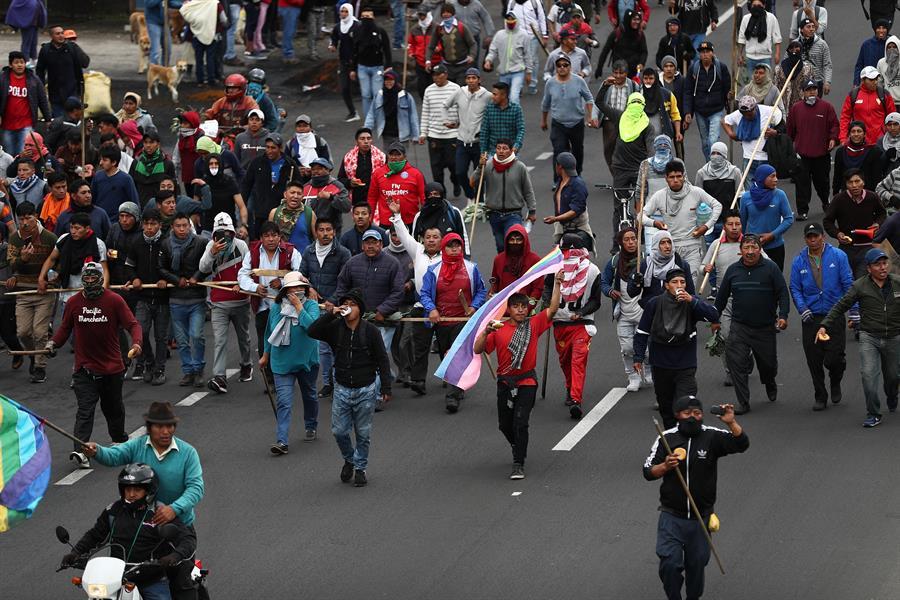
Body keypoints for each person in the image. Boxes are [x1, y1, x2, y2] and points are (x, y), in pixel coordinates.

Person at [83, 401, 205, 600]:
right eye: (159, 426)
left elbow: (196, 488)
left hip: (176, 527)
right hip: (140, 523)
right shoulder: (138, 445)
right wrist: (97, 451)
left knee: (182, 586)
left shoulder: (188, 453)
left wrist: (173, 509)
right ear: (149, 428)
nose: (166, 431)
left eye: (170, 426)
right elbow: (114, 456)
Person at [642, 394, 748, 600]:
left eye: (697, 413)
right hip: (671, 516)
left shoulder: (712, 436)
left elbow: (741, 444)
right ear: (677, 415)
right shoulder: (666, 437)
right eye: (687, 413)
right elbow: (647, 471)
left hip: (701, 517)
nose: (693, 417)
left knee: (697, 564)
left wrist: (731, 422)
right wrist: (665, 466)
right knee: (670, 564)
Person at [46, 261, 141, 468]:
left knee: (113, 409)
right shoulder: (73, 303)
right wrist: (53, 343)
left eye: (93, 278)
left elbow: (133, 325)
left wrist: (136, 343)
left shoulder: (114, 300)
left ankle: (119, 441)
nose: (89, 282)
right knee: (85, 410)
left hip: (111, 368)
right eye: (86, 278)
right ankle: (81, 451)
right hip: (84, 369)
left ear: (100, 279)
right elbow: (64, 329)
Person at [60, 463, 196, 600]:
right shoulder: (113, 511)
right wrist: (76, 552)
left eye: (137, 490)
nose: (131, 494)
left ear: (148, 491)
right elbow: (95, 535)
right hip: (115, 578)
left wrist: (174, 556)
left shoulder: (161, 513)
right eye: (127, 489)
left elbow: (188, 539)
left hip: (151, 580)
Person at [474, 275, 562, 480]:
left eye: (524, 306)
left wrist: (557, 284)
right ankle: (517, 443)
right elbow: (479, 350)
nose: (521, 310)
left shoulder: (534, 323)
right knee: (505, 425)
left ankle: (518, 462)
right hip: (505, 381)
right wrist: (485, 332)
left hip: (527, 381)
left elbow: (553, 308)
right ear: (509, 309)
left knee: (521, 421)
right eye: (516, 307)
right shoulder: (498, 328)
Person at [309, 288, 391, 486]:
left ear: (360, 310)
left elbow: (382, 358)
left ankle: (360, 468)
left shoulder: (370, 331)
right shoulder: (336, 328)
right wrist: (331, 314)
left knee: (363, 433)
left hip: (366, 389)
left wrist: (386, 387)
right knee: (339, 431)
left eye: (352, 304)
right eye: (345, 303)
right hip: (342, 388)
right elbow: (312, 331)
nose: (348, 307)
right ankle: (349, 459)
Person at [818, 248, 900, 427]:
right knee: (868, 376)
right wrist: (825, 325)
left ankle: (892, 395)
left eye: (885, 263)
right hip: (869, 336)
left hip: (894, 336)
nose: (883, 267)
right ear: (869, 268)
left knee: (893, 377)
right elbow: (841, 306)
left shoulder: (897, 283)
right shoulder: (859, 286)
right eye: (877, 264)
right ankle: (874, 413)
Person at [713, 234, 789, 414]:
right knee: (736, 363)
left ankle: (769, 381)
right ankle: (743, 402)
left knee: (768, 365)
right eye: (746, 248)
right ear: (740, 251)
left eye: (753, 248)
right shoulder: (733, 271)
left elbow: (783, 293)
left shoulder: (771, 269)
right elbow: (721, 298)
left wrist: (783, 316)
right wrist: (714, 319)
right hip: (740, 327)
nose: (750, 252)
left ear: (760, 249)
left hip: (764, 327)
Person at [633, 268, 719, 427]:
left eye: (682, 282)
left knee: (686, 404)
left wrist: (693, 301)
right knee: (666, 409)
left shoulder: (691, 303)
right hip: (661, 363)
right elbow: (642, 332)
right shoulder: (654, 303)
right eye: (674, 282)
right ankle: (673, 441)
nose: (679, 285)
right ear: (666, 285)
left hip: (685, 364)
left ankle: (687, 440)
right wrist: (638, 357)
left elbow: (714, 315)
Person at [419, 232, 487, 413]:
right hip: (442, 321)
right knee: (445, 355)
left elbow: (481, 291)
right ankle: (455, 381)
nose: (454, 248)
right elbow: (424, 293)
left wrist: (473, 306)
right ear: (444, 248)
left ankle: (452, 397)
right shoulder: (433, 270)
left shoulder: (472, 268)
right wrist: (431, 309)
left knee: (455, 355)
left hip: (463, 321)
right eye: (450, 245)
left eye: (458, 245)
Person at [789, 222, 853, 411]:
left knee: (835, 358)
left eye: (816, 236)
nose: (813, 240)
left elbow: (848, 284)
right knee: (814, 359)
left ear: (823, 237)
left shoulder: (838, 256)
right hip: (811, 317)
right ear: (805, 239)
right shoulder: (798, 260)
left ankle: (835, 381)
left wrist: (854, 311)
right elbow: (795, 288)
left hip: (834, 315)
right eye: (809, 237)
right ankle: (820, 394)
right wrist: (802, 309)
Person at [331, 228, 406, 388]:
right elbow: (342, 286)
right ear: (362, 245)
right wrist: (343, 304)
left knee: (379, 353)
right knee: (366, 354)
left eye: (374, 242)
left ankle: (377, 394)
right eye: (367, 243)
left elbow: (398, 291)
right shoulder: (352, 263)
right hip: (358, 320)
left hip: (384, 321)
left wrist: (383, 310)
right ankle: (386, 376)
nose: (371, 246)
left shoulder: (392, 263)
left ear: (381, 244)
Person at [260, 271, 321, 453]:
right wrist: (265, 355)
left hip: (306, 361)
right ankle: (282, 441)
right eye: (293, 287)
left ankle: (311, 425)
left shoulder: (311, 306)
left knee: (309, 395)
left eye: (300, 287)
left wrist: (298, 308)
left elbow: (312, 327)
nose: (297, 290)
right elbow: (268, 334)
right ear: (285, 290)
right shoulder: (276, 308)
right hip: (281, 362)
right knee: (284, 402)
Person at [544, 232, 603, 419]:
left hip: (581, 324)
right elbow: (546, 291)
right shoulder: (553, 269)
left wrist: (582, 312)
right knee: (565, 360)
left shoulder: (593, 271)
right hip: (560, 322)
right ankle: (570, 387)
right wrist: (547, 307)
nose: (568, 257)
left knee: (578, 360)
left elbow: (596, 300)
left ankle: (576, 399)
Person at [238, 221, 303, 386]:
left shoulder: (290, 252)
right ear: (261, 238)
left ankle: (284, 375)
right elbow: (242, 275)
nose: (271, 239)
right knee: (264, 342)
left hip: (285, 305)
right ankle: (270, 380)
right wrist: (254, 287)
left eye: (274, 235)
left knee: (285, 340)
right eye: (267, 236)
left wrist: (282, 282)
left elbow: (300, 274)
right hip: (262, 306)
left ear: (279, 236)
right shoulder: (252, 253)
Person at [642, 160, 721, 284]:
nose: (676, 180)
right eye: (672, 177)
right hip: (670, 248)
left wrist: (706, 227)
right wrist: (654, 223)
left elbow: (717, 206)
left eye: (679, 176)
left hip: (692, 245)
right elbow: (640, 216)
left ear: (684, 177)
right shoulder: (659, 196)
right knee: (672, 285)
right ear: (666, 178)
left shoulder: (696, 192)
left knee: (690, 284)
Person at [198, 213, 252, 394]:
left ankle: (246, 364)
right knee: (220, 341)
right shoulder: (210, 246)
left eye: (227, 233)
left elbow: (250, 270)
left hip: (240, 301)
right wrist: (212, 253)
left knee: (243, 337)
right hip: (218, 303)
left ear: (233, 233)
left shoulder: (242, 246)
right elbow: (203, 268)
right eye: (219, 234)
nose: (224, 237)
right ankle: (219, 376)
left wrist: (241, 283)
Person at [299, 216, 351, 399]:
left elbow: (345, 281)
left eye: (329, 230)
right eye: (321, 230)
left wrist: (334, 300)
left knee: (338, 346)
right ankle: (328, 383)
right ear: (316, 232)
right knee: (322, 348)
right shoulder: (308, 251)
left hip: (336, 308)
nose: (325, 233)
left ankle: (341, 380)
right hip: (316, 307)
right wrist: (309, 288)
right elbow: (302, 275)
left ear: (334, 232)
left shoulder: (343, 253)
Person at [6, 200, 56, 382]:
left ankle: (40, 367)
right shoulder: (15, 239)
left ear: (36, 217)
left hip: (44, 291)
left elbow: (58, 262)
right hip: (23, 292)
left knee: (39, 332)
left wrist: (52, 278)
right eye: (21, 219)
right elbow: (12, 263)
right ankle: (33, 355)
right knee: (23, 333)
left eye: (28, 218)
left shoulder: (50, 238)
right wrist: (23, 259)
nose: (25, 222)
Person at [159, 213, 207, 388]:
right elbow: (161, 268)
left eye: (184, 225)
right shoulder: (165, 244)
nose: (181, 229)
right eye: (178, 226)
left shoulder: (201, 243)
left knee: (196, 335)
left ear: (189, 226)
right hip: (176, 299)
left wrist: (196, 276)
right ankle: (188, 371)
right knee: (181, 340)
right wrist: (174, 279)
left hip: (197, 298)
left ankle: (199, 368)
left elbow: (207, 265)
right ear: (172, 227)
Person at [700, 210, 748, 384]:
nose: (735, 228)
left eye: (738, 224)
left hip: (747, 298)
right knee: (725, 336)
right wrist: (705, 269)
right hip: (723, 299)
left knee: (746, 337)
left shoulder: (749, 243)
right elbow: (703, 267)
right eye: (730, 224)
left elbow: (767, 263)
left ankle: (745, 359)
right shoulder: (716, 245)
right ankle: (730, 370)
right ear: (724, 226)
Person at [125, 208, 169, 387]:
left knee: (161, 337)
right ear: (142, 224)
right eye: (147, 224)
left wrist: (165, 280)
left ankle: (159, 369)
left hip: (162, 298)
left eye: (153, 224)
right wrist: (134, 278)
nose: (149, 228)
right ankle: (149, 362)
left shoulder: (166, 243)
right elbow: (129, 265)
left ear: (160, 225)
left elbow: (172, 267)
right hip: (142, 297)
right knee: (141, 333)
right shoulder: (136, 243)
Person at [600, 227, 647, 392]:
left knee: (646, 347)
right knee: (627, 348)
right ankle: (633, 377)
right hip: (623, 313)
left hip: (644, 313)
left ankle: (647, 369)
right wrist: (610, 292)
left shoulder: (645, 259)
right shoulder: (614, 262)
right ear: (620, 243)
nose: (631, 242)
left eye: (633, 238)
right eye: (626, 239)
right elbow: (603, 282)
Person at [472, 139, 536, 251]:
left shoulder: (520, 167)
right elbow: (473, 182)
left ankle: (516, 267)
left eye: (505, 148)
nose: (501, 151)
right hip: (494, 215)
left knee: (512, 244)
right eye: (498, 148)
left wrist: (532, 211)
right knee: (501, 246)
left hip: (514, 214)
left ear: (511, 151)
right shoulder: (488, 166)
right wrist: (479, 167)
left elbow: (528, 191)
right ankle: (504, 267)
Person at [788, 79, 839, 220]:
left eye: (814, 89)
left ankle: (825, 202)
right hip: (802, 154)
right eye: (808, 89)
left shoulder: (827, 107)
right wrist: (791, 150)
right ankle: (802, 211)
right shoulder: (796, 109)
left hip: (821, 154)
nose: (812, 92)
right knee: (802, 184)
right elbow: (790, 130)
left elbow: (835, 126)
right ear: (803, 92)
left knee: (822, 182)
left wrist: (833, 139)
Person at [541, 54, 595, 183]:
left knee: (577, 151)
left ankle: (577, 175)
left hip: (576, 122)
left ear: (570, 67)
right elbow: (545, 103)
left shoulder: (578, 81)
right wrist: (543, 121)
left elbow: (589, 98)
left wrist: (590, 116)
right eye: (559, 65)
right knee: (559, 151)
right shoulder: (551, 83)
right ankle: (558, 179)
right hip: (558, 123)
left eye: (565, 65)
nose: (562, 68)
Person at [824, 168, 886, 278]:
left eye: (857, 181)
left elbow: (882, 214)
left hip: (867, 246)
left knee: (861, 279)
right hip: (847, 247)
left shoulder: (872, 197)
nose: (854, 185)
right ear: (846, 184)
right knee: (846, 279)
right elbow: (827, 221)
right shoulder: (839, 199)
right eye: (850, 182)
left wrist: (877, 224)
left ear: (863, 182)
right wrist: (837, 234)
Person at [445, 68, 491, 203]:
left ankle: (480, 202)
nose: (471, 81)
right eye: (468, 78)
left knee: (480, 175)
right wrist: (451, 121)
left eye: (474, 78)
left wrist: (486, 130)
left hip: (479, 143)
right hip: (462, 142)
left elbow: (492, 112)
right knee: (459, 172)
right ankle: (470, 195)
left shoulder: (487, 96)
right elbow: (446, 105)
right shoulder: (460, 92)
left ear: (479, 80)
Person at [240, 133, 299, 238]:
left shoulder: (290, 165)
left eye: (273, 148)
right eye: (267, 147)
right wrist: (242, 205)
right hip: (260, 213)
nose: (269, 151)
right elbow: (246, 185)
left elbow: (298, 186)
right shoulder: (257, 163)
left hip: (282, 214)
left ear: (280, 148)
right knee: (257, 243)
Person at [739, 164, 794, 271]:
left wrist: (772, 235)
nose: (776, 180)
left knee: (775, 281)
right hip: (752, 248)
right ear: (762, 178)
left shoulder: (780, 195)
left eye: (776, 176)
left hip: (775, 247)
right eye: (772, 176)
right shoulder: (745, 198)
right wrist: (744, 244)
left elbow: (789, 219)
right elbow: (742, 223)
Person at [683, 41, 731, 162]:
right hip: (700, 111)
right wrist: (688, 112)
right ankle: (709, 163)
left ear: (712, 53)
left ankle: (716, 164)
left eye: (707, 52)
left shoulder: (721, 67)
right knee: (705, 142)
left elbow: (727, 88)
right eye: (702, 52)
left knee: (713, 140)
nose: (705, 55)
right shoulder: (693, 69)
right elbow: (688, 91)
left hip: (716, 110)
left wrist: (729, 102)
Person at [419, 64, 462, 196]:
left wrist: (459, 126)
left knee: (453, 165)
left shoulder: (456, 89)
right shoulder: (429, 90)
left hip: (452, 135)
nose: (436, 77)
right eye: (434, 75)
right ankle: (441, 191)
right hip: (434, 135)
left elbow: (462, 110)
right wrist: (423, 133)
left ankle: (456, 182)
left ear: (446, 74)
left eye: (439, 74)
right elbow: (425, 112)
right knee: (436, 169)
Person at [722, 95, 783, 184]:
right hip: (748, 157)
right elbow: (724, 121)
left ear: (755, 108)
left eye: (750, 114)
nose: (747, 117)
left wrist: (775, 131)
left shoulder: (768, 111)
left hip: (766, 158)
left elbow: (782, 125)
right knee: (749, 188)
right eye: (745, 115)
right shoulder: (739, 114)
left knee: (767, 186)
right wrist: (731, 134)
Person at [0, 50, 51, 155]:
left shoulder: (34, 80)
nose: (19, 65)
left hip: (26, 124)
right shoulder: (3, 79)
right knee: (8, 155)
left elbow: (42, 100)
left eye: (22, 62)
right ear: (10, 64)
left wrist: (48, 119)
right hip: (7, 125)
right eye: (16, 62)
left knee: (23, 154)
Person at [629, 230, 696, 307]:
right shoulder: (645, 264)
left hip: (675, 312)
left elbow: (691, 294)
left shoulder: (681, 265)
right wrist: (636, 283)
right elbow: (631, 293)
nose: (667, 246)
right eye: (662, 243)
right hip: (652, 312)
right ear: (655, 245)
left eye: (669, 242)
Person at [367, 142, 425, 227]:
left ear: (404, 156)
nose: (394, 157)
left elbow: (424, 198)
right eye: (391, 154)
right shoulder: (378, 173)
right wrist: (369, 221)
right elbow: (372, 198)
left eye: (398, 154)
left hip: (410, 222)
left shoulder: (416, 174)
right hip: (387, 222)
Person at [694, 142, 742, 245]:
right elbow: (697, 197)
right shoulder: (701, 173)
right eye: (713, 153)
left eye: (718, 153)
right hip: (709, 221)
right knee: (710, 252)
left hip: (727, 221)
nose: (715, 156)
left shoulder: (735, 172)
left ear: (724, 155)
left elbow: (740, 195)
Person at [596, 60, 640, 170]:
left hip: (627, 122)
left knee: (627, 149)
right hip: (609, 122)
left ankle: (626, 174)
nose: (618, 76)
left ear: (627, 73)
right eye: (615, 73)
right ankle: (616, 174)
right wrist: (594, 117)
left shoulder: (634, 86)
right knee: (609, 149)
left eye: (621, 73)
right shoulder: (606, 84)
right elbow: (598, 101)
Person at [352, 7, 393, 121]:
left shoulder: (380, 31)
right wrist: (352, 68)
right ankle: (368, 119)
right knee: (366, 95)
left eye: (368, 17)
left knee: (377, 94)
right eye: (364, 17)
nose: (366, 19)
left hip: (377, 68)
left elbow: (386, 49)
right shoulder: (357, 31)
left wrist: (388, 65)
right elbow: (354, 50)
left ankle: (379, 116)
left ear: (373, 17)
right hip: (362, 67)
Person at [545, 152, 593, 250]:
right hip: (563, 230)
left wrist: (555, 219)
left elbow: (575, 211)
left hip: (578, 231)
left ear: (560, 166)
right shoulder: (560, 182)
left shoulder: (578, 184)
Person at [484, 12, 534, 105]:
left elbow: (528, 55)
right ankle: (504, 117)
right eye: (508, 21)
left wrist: (529, 72)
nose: (510, 23)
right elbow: (493, 50)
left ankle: (516, 117)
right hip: (503, 73)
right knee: (502, 99)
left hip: (517, 72)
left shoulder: (523, 35)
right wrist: (488, 60)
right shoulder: (499, 35)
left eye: (512, 21)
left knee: (514, 97)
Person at [841, 67, 896, 147]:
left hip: (881, 141)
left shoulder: (884, 94)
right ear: (863, 80)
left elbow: (893, 118)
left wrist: (893, 138)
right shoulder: (853, 95)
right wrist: (843, 138)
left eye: (876, 79)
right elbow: (845, 118)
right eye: (871, 79)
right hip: (859, 141)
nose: (875, 82)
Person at [35, 25, 84, 117]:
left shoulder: (71, 48)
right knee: (58, 120)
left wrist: (81, 88)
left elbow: (79, 68)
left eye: (62, 33)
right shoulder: (46, 50)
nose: (61, 36)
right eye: (57, 34)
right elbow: (40, 70)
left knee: (74, 121)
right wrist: (40, 88)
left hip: (72, 91)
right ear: (51, 36)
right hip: (55, 93)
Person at [365, 71, 421, 150]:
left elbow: (413, 116)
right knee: (389, 160)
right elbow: (371, 114)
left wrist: (416, 135)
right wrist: (366, 129)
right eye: (386, 80)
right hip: (387, 135)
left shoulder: (405, 96)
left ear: (396, 81)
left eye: (391, 80)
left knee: (400, 161)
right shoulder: (379, 96)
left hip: (402, 136)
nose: (388, 82)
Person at [410, 182, 469, 253]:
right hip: (428, 258)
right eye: (430, 195)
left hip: (450, 257)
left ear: (441, 195)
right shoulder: (419, 216)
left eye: (436, 194)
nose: (433, 197)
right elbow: (414, 240)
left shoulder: (454, 212)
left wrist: (466, 256)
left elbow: (463, 236)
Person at [427, 4, 477, 85]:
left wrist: (472, 55)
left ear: (453, 13)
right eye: (444, 12)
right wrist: (428, 61)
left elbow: (472, 44)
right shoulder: (439, 29)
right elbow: (431, 46)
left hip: (462, 66)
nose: (446, 14)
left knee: (460, 90)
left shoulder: (461, 27)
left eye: (448, 12)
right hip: (447, 67)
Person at [506, 0, 547, 96]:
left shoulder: (535, 2)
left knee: (532, 60)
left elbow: (541, 17)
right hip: (517, 37)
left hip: (532, 36)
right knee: (517, 61)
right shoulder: (512, 2)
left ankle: (532, 85)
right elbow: (508, 18)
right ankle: (518, 87)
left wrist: (544, 35)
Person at [338, 128, 386, 208]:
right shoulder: (348, 158)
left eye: (369, 138)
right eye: (362, 139)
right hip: (357, 201)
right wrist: (350, 183)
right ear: (357, 142)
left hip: (377, 200)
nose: (366, 141)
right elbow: (340, 179)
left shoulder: (382, 157)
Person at [833, 122, 884, 196]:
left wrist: (875, 197)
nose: (856, 134)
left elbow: (877, 177)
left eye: (859, 131)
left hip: (868, 195)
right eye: (853, 131)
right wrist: (835, 193)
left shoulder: (874, 151)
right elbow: (837, 175)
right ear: (849, 134)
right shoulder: (840, 152)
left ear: (864, 134)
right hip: (847, 194)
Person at [130, 129, 176, 209]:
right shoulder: (136, 163)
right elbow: (132, 186)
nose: (148, 145)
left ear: (158, 144)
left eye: (151, 142)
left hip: (161, 207)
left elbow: (174, 187)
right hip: (141, 207)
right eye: (145, 142)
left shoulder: (167, 164)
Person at [736, 0, 781, 79]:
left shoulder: (771, 18)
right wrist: (739, 55)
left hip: (765, 57)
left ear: (764, 5)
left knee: (765, 84)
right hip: (750, 58)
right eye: (754, 5)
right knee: (751, 84)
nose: (756, 7)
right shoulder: (746, 19)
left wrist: (777, 54)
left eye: (759, 5)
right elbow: (742, 38)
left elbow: (777, 37)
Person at [479, 82, 526, 156]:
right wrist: (483, 152)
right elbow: (484, 132)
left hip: (510, 153)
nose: (492, 97)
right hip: (492, 153)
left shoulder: (516, 109)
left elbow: (521, 130)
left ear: (504, 95)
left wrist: (516, 146)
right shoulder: (489, 109)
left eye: (495, 94)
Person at [597, 9, 647, 77]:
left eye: (638, 19)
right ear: (628, 20)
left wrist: (641, 63)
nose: (636, 22)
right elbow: (606, 50)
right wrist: (599, 67)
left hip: (633, 70)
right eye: (634, 20)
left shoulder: (640, 34)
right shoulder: (617, 33)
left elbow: (644, 51)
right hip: (619, 71)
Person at [639, 67, 682, 143]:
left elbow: (675, 114)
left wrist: (678, 132)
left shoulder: (667, 95)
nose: (648, 81)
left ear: (656, 79)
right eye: (645, 78)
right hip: (643, 139)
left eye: (651, 78)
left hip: (663, 138)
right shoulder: (638, 95)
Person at [775, 40, 815, 111]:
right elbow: (775, 88)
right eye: (791, 48)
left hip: (802, 107)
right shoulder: (778, 69)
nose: (794, 50)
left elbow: (811, 88)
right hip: (784, 107)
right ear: (788, 50)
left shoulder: (808, 68)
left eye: (797, 47)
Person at [4, 0, 45, 67]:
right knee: (27, 42)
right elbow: (14, 7)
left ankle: (34, 58)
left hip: (35, 23)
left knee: (34, 42)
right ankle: (26, 60)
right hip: (27, 23)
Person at [797, 17, 831, 97]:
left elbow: (827, 64)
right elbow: (787, 62)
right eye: (808, 27)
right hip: (799, 83)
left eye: (813, 27)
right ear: (801, 29)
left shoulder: (822, 44)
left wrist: (827, 82)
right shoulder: (795, 44)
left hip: (817, 82)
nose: (812, 29)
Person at [855, 19, 890, 86]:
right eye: (878, 28)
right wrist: (856, 83)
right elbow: (859, 65)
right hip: (870, 82)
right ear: (875, 30)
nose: (881, 30)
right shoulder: (866, 45)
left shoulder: (891, 45)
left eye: (884, 28)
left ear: (887, 30)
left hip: (887, 82)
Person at [877, 35, 900, 103]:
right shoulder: (881, 63)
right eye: (889, 47)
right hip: (889, 103)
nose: (892, 49)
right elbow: (879, 83)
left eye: (894, 47)